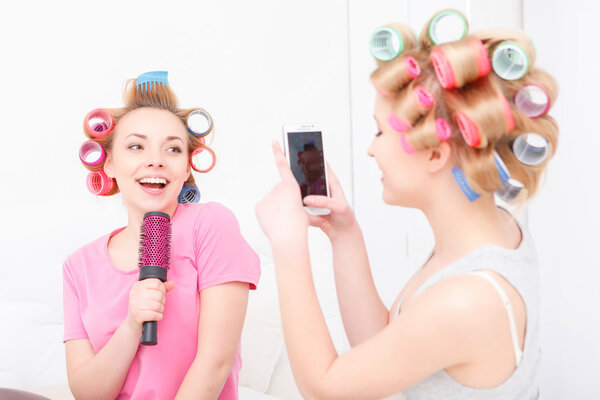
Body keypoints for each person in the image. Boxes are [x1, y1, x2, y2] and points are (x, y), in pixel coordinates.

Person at [256, 9, 557, 400]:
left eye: (380, 130)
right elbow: (387, 344)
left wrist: (288, 246)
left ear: (434, 154)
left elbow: (324, 386)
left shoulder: (469, 298)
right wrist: (345, 234)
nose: (370, 148)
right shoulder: (486, 235)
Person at [63, 71, 260, 400]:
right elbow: (87, 393)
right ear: (109, 163)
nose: (155, 161)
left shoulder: (210, 224)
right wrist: (131, 324)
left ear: (186, 168)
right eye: (137, 146)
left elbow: (216, 361)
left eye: (172, 149)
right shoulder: (78, 266)